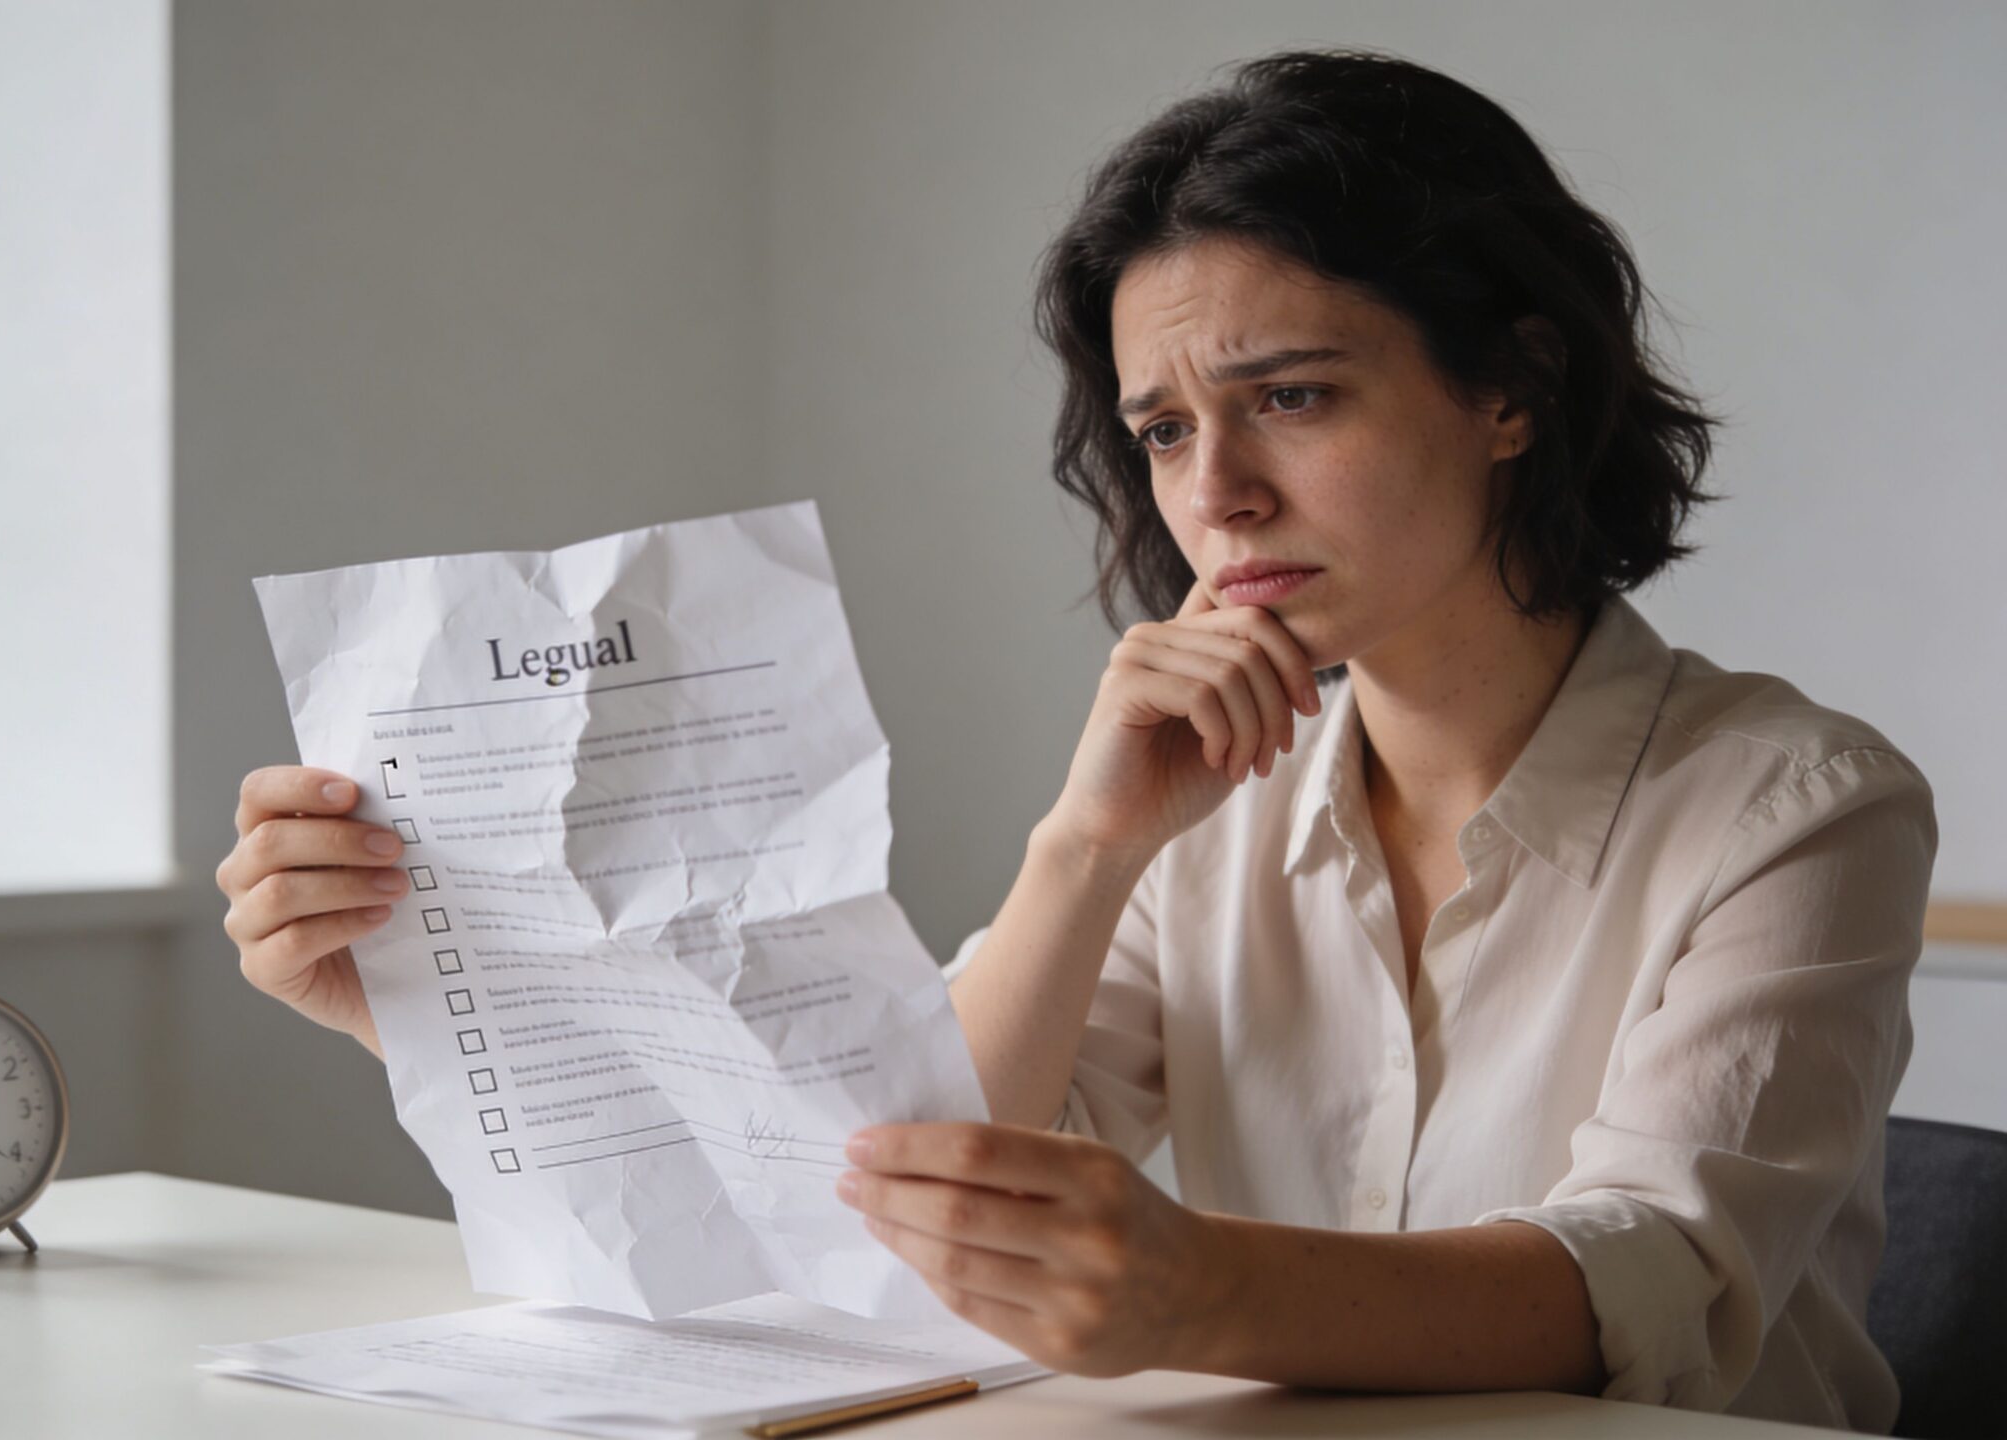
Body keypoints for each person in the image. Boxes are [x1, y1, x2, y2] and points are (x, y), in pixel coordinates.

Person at [216, 48, 1935, 1433]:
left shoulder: (1798, 806)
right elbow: (876, 1189)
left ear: (1513, 388)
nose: (1215, 492)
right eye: (1166, 426)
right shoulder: (1213, 812)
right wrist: (460, 1006)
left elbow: (1652, 1275)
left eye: (1296, 395)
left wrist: (1200, 1291)